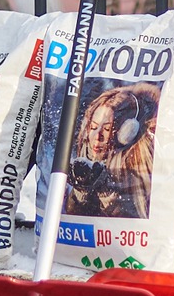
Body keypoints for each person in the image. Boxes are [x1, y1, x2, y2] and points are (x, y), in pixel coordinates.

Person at [65, 83, 157, 219]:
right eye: (94, 127)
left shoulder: (138, 162)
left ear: (126, 133)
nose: (97, 136)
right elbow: (70, 215)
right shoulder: (85, 156)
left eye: (107, 129)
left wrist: (107, 194)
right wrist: (80, 192)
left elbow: (133, 216)